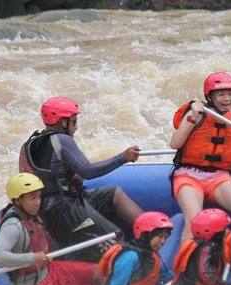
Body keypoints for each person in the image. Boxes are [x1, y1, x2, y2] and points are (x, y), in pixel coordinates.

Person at [19, 96, 144, 259]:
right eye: (74, 121)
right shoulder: (62, 140)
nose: (76, 127)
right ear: (61, 122)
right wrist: (123, 158)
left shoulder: (28, 145)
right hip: (62, 208)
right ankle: (133, 273)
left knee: (114, 194)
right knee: (115, 236)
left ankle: (150, 229)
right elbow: (87, 171)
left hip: (53, 206)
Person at [0, 173, 102, 285]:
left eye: (39, 196)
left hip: (48, 270)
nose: (38, 202)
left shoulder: (30, 214)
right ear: (18, 200)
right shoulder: (13, 226)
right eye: (32, 198)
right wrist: (33, 258)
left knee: (99, 271)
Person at [169, 72, 231, 240]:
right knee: (194, 221)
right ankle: (184, 265)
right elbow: (175, 144)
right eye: (221, 94)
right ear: (210, 96)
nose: (227, 98)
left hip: (218, 178)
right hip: (189, 176)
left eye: (230, 94)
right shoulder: (196, 114)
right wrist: (192, 117)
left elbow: (223, 151)